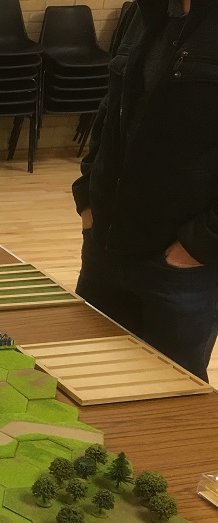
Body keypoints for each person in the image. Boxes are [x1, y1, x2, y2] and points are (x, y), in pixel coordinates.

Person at [72, 0, 218, 382]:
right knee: (88, 379)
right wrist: (88, 197)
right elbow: (112, 108)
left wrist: (199, 245)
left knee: (170, 395)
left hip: (182, 268)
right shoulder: (146, 10)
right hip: (106, 247)